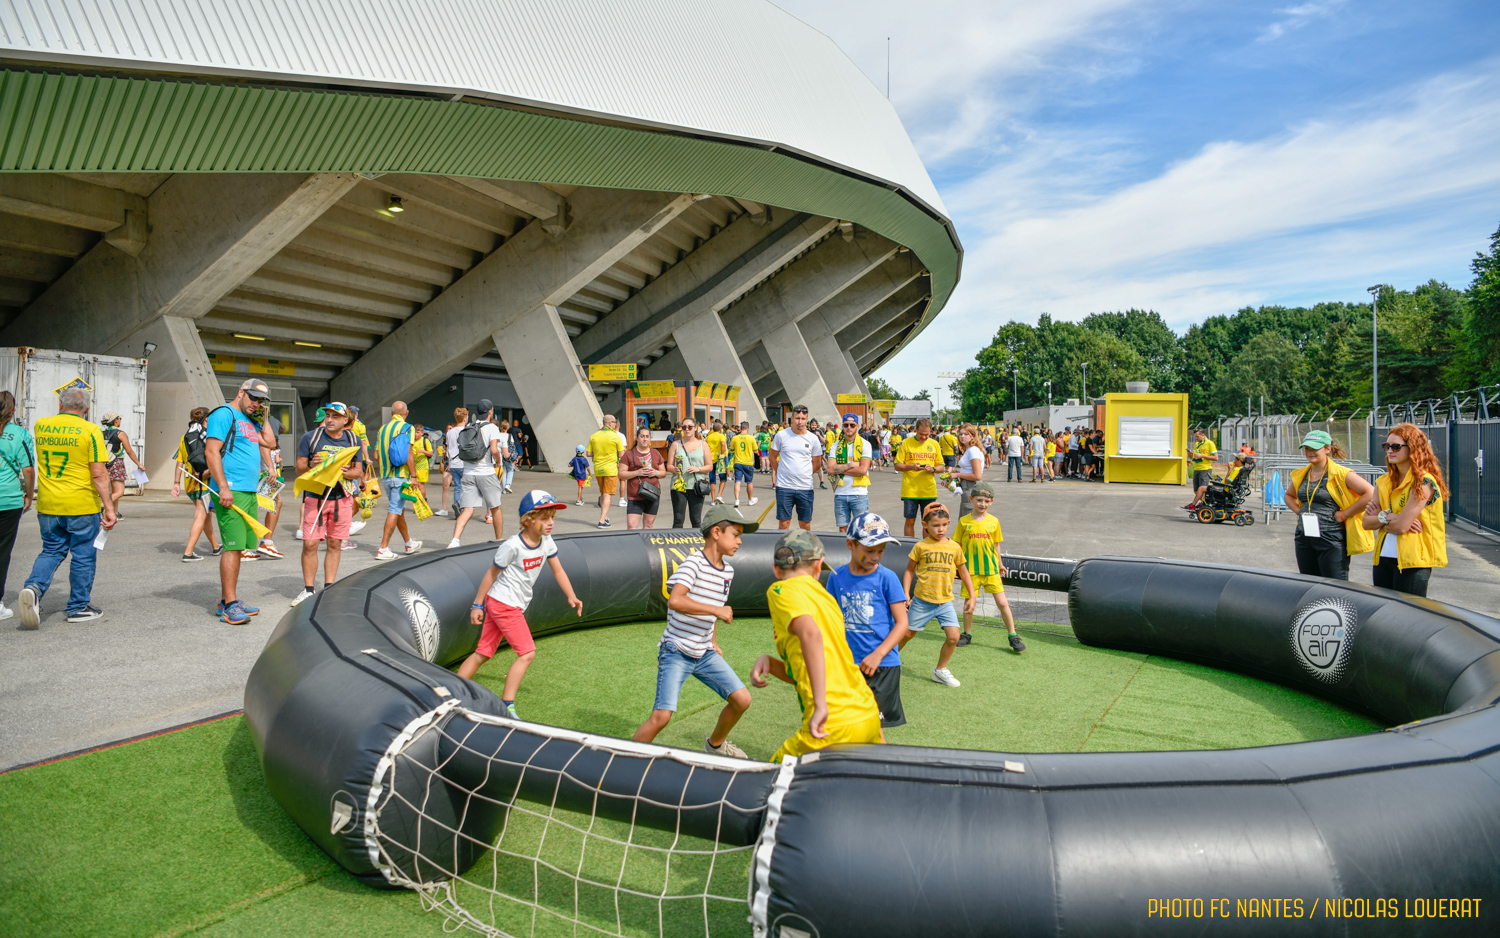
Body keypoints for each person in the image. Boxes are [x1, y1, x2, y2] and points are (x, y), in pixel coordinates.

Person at [632, 504, 756, 757]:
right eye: (736, 534)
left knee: (742, 700)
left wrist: (714, 641)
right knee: (662, 716)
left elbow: (711, 610)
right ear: (717, 533)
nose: (740, 541)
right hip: (676, 649)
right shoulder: (693, 564)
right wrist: (716, 611)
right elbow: (675, 601)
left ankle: (715, 746)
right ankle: (621, 761)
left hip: (705, 652)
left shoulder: (727, 571)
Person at [751, 530, 883, 761]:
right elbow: (823, 665)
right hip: (866, 713)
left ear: (775, 569)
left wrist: (821, 706)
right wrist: (772, 663)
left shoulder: (781, 590)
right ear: (819, 565)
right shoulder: (827, 599)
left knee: (767, 783)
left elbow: (811, 635)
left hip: (832, 723)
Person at [456, 490, 583, 719]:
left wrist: (571, 595)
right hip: (504, 603)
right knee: (527, 653)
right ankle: (507, 705)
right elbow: (491, 574)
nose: (551, 523)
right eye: (545, 518)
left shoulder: (546, 540)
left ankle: (450, 694)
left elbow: (558, 569)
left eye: (552, 517)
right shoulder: (513, 545)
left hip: (506, 603)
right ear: (528, 519)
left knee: (484, 652)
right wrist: (477, 605)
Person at [18, 387, 116, 627]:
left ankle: (34, 587)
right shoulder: (90, 430)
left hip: (49, 504)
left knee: (51, 550)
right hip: (81, 505)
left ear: (60, 405)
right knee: (83, 555)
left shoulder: (42, 425)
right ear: (88, 409)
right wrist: (110, 507)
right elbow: (99, 474)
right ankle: (78, 606)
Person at [203, 379, 276, 625]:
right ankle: (230, 605)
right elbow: (211, 451)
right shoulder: (224, 414)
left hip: (248, 490)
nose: (256, 403)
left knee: (242, 548)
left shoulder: (250, 419)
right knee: (232, 547)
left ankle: (228, 600)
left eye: (261, 401)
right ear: (241, 393)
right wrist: (222, 487)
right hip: (230, 490)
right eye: (253, 398)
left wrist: (262, 416)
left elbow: (270, 442)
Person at [826, 512, 909, 727]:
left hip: (882, 666)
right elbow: (830, 620)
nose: (876, 557)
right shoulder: (836, 577)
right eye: (870, 550)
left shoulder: (887, 577)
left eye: (881, 551)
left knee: (873, 728)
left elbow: (903, 624)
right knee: (844, 724)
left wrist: (877, 655)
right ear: (850, 544)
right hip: (847, 665)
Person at [290, 402, 365, 606]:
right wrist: (310, 465)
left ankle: (329, 588)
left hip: (342, 498)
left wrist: (348, 473)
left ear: (345, 420)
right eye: (327, 415)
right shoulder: (311, 437)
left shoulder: (352, 439)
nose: (329, 419)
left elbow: (359, 470)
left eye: (335, 416)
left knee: (334, 543)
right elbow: (298, 468)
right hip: (315, 497)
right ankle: (308, 590)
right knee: (310, 544)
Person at [1363, 423, 1448, 597]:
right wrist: (1389, 516)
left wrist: (1381, 519)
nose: (1390, 451)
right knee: (1384, 613)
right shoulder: (1383, 481)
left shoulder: (1424, 482)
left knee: (1409, 616)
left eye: (1396, 446)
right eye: (1387, 446)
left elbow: (1401, 527)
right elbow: (1366, 523)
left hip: (1413, 562)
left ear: (1413, 448)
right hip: (1383, 560)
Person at [1283, 430, 1374, 580]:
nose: (1309, 452)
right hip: (1304, 536)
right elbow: (1288, 495)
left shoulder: (1341, 473)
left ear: (1327, 449)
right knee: (1308, 583)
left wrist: (1344, 514)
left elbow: (1370, 493)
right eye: (1306, 448)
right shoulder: (1301, 474)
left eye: (1314, 448)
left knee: (1334, 585)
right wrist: (1299, 512)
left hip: (1331, 537)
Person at [900, 502, 974, 687]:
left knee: (954, 637)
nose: (940, 529)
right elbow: (909, 571)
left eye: (943, 525)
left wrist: (972, 596)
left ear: (948, 523)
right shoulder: (920, 547)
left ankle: (940, 670)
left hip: (945, 603)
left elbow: (964, 572)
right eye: (935, 525)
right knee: (907, 635)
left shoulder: (955, 548)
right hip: (922, 602)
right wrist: (905, 595)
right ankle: (887, 660)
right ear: (925, 525)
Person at [953, 482, 1023, 651]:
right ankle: (967, 634)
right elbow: (957, 545)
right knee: (969, 604)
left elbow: (996, 545)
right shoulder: (963, 521)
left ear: (991, 502)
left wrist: (1000, 564)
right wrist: (955, 566)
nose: (982, 504)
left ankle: (1013, 635)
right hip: (970, 571)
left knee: (1002, 602)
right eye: (979, 500)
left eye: (986, 501)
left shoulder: (994, 522)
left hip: (991, 570)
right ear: (971, 499)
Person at [449, 400, 506, 547]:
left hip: (468, 473)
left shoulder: (469, 426)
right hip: (486, 472)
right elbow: (494, 450)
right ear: (490, 412)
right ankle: (499, 541)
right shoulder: (492, 427)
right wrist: (498, 461)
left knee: (467, 509)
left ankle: (455, 540)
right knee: (495, 507)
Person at [170, 408, 221, 561]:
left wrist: (176, 483)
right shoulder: (205, 437)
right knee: (200, 516)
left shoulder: (185, 437)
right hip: (204, 483)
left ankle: (215, 546)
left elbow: (180, 462)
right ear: (206, 419)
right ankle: (188, 552)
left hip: (190, 483)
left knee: (205, 517)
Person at [374, 401, 422, 561]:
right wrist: (413, 476)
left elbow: (376, 455)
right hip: (400, 476)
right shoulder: (408, 428)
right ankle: (383, 548)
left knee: (399, 510)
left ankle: (409, 543)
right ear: (406, 413)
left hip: (386, 476)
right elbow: (409, 454)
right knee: (395, 509)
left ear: (391, 414)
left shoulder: (382, 429)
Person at [0, 391, 33, 621]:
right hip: (8, 499)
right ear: (13, 411)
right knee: (2, 551)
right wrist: (29, 495)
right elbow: (28, 469)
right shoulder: (19, 433)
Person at [770, 405, 823, 531]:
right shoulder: (781, 435)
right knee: (784, 523)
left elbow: (816, 464)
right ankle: (783, 550)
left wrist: (804, 474)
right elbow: (772, 457)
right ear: (792, 418)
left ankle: (805, 550)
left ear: (807, 419)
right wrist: (781, 472)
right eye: (797, 418)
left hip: (805, 487)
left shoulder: (813, 439)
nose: (800, 422)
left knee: (805, 524)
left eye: (803, 419)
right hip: (784, 487)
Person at [893, 417, 945, 537]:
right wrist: (911, 467)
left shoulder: (934, 444)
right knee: (910, 521)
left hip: (928, 490)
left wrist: (934, 469)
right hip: (910, 491)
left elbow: (941, 466)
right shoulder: (906, 443)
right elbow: (897, 465)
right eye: (921, 434)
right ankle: (910, 547)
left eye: (927, 434)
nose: (924, 437)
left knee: (928, 522)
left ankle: (925, 548)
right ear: (916, 430)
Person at [826, 413, 873, 534]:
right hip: (840, 493)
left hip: (859, 494)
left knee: (861, 530)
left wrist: (840, 468)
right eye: (846, 425)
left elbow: (862, 470)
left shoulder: (865, 444)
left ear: (857, 426)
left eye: (852, 425)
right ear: (842, 426)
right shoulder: (836, 446)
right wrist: (851, 464)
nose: (849, 428)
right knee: (842, 529)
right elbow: (830, 470)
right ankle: (845, 552)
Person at [667, 418, 711, 529]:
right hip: (678, 486)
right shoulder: (675, 444)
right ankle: (676, 544)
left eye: (690, 427)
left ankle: (697, 544)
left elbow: (709, 466)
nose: (687, 429)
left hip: (696, 486)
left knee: (696, 520)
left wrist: (698, 469)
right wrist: (674, 469)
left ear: (695, 428)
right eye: (684, 427)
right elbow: (669, 465)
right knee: (678, 519)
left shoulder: (703, 445)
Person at [619, 426, 666, 528]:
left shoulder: (656, 453)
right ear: (637, 438)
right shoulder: (629, 454)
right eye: (642, 436)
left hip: (653, 494)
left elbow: (663, 473)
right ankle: (634, 544)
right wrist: (637, 473)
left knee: (648, 525)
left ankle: (646, 544)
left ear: (650, 439)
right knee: (632, 525)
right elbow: (621, 474)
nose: (645, 439)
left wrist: (656, 472)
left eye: (647, 436)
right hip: (635, 495)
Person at [98, 411, 143, 518]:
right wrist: (139, 464)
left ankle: (115, 512)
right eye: (119, 418)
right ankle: (102, 505)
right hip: (117, 464)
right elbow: (129, 451)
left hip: (105, 464)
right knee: (119, 491)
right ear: (116, 420)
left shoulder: (101, 433)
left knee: (112, 490)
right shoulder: (120, 434)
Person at [586, 414, 625, 529]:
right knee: (607, 495)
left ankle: (606, 516)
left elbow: (588, 453)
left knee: (603, 493)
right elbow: (622, 454)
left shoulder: (594, 436)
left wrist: (599, 453)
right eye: (614, 422)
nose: (615, 424)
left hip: (598, 469)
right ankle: (602, 520)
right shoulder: (615, 436)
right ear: (609, 423)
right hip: (611, 469)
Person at [954, 424, 986, 514]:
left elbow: (977, 475)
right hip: (967, 486)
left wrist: (957, 474)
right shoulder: (969, 450)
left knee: (967, 518)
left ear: (972, 436)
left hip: (971, 487)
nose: (962, 436)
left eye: (966, 434)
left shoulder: (973, 450)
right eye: (960, 434)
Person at [1183, 428, 1217, 510]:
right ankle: (1203, 503)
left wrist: (1202, 456)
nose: (1196, 438)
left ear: (1203, 435)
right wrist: (1190, 454)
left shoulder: (1209, 443)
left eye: (1197, 436)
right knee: (1196, 490)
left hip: (1205, 469)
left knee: (1202, 489)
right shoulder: (1197, 444)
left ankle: (1197, 505)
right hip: (1197, 468)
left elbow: (1215, 457)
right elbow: (1194, 456)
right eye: (1195, 436)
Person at [729, 420, 759, 509]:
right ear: (748, 429)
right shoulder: (751, 438)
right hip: (748, 463)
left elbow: (732, 450)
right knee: (749, 482)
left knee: (737, 481)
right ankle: (750, 499)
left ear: (740, 428)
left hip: (738, 462)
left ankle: (737, 500)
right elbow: (756, 450)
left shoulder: (735, 438)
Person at [444, 408, 468, 517]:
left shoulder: (450, 432)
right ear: (464, 418)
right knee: (467, 487)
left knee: (457, 486)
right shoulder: (467, 431)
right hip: (464, 463)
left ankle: (457, 505)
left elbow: (448, 448)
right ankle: (463, 508)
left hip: (453, 463)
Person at [703, 419, 728, 505]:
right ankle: (719, 495)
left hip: (711, 459)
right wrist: (722, 454)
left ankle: (713, 500)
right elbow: (723, 444)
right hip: (720, 459)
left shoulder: (708, 437)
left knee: (712, 479)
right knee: (723, 478)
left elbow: (705, 447)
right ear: (720, 429)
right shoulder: (721, 436)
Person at [496, 419, 517, 494]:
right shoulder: (509, 436)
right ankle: (508, 485)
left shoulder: (497, 435)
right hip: (507, 456)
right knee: (511, 470)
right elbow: (512, 446)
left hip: (499, 456)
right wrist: (514, 457)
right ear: (507, 427)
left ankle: (504, 489)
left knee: (503, 472)